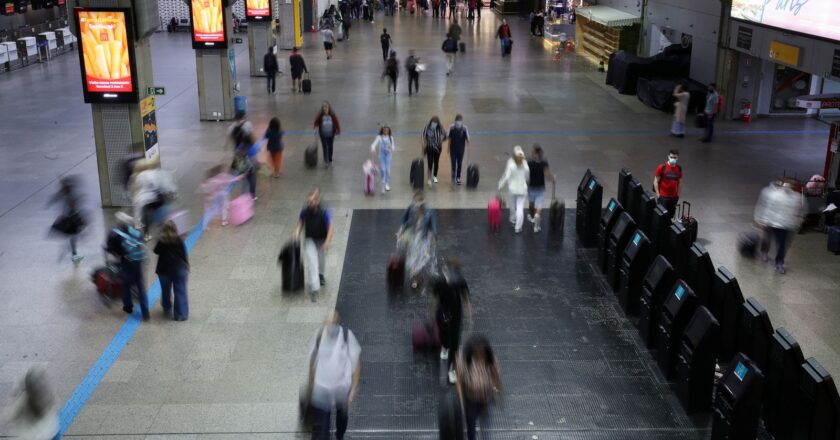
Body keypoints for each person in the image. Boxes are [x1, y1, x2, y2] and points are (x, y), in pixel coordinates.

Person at [307, 313, 361, 440]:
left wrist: (352, 391)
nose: (331, 326)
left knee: (342, 418)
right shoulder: (318, 336)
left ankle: (339, 434)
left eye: (334, 323)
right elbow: (312, 364)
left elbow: (357, 365)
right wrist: (310, 386)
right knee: (322, 428)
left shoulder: (347, 336)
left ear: (338, 323)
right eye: (328, 323)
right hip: (322, 389)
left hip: (341, 388)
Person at [753, 179, 804, 274]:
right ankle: (764, 252)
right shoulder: (773, 194)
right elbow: (766, 207)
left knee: (782, 244)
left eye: (790, 185)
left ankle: (779, 263)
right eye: (786, 185)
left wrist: (799, 219)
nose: (788, 187)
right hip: (771, 222)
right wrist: (761, 219)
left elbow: (801, 210)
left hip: (784, 225)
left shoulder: (797, 197)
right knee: (767, 238)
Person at [456, 335, 501, 440]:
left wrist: (496, 391)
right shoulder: (463, 359)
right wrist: (460, 397)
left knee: (485, 428)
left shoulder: (491, 360)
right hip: (470, 400)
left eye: (482, 351)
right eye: (476, 351)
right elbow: (459, 379)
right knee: (470, 426)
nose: (479, 354)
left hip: (486, 399)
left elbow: (496, 378)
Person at [434, 258, 472, 384]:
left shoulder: (461, 282)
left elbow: (466, 299)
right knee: (444, 335)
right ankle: (445, 346)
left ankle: (452, 370)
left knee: (455, 344)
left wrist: (470, 318)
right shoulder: (439, 282)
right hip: (442, 313)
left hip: (456, 315)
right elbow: (434, 299)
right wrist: (430, 314)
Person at [110, 212, 149, 321]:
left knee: (126, 284)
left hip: (126, 262)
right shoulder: (135, 231)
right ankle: (145, 312)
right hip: (138, 261)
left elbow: (112, 249)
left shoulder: (116, 234)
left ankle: (128, 307)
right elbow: (142, 239)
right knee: (140, 285)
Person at [296, 189, 334, 300]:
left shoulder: (324, 212)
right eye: (309, 201)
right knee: (312, 262)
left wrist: (327, 241)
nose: (310, 204)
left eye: (312, 201)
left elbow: (330, 228)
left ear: (317, 201)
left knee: (321, 260)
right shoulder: (304, 211)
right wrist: (297, 234)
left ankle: (321, 274)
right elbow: (300, 223)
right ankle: (315, 288)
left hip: (322, 239)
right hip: (310, 239)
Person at [0, 368, 58, 439]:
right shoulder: (46, 397)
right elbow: (54, 406)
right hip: (49, 430)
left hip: (30, 434)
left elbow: (10, 414)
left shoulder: (24, 398)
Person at [154, 221, 189, 321]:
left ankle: (166, 307)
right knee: (180, 291)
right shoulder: (178, 240)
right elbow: (183, 254)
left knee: (165, 290)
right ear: (175, 228)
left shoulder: (161, 241)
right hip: (178, 269)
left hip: (163, 270)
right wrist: (186, 265)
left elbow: (155, 251)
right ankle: (180, 315)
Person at [48, 176, 86, 262]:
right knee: (73, 237)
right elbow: (71, 206)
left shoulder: (66, 194)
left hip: (71, 218)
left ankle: (73, 253)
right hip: (71, 219)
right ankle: (73, 254)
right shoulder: (69, 196)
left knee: (73, 237)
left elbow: (57, 197)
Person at [498, 146, 530, 234]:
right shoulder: (525, 165)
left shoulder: (511, 164)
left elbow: (507, 176)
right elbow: (527, 177)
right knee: (520, 207)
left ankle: (513, 219)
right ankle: (518, 227)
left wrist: (501, 184)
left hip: (512, 188)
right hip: (522, 189)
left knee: (512, 205)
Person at [200, 165, 241, 229]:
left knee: (212, 210)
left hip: (215, 196)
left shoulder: (211, 180)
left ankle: (205, 224)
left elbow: (205, 187)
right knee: (224, 207)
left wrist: (208, 195)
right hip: (222, 194)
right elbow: (230, 180)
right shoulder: (221, 176)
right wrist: (238, 177)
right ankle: (223, 220)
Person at [527, 144, 553, 233]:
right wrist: (553, 178)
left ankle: (531, 216)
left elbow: (526, 175)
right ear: (541, 153)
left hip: (530, 187)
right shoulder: (544, 163)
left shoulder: (529, 163)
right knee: (539, 206)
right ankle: (536, 226)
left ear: (534, 153)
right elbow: (547, 176)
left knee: (531, 203)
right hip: (540, 188)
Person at [653, 149, 682, 219]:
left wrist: (678, 194)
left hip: (673, 197)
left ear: (677, 158)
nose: (673, 159)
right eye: (671, 157)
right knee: (661, 216)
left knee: (670, 216)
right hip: (663, 197)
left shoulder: (679, 168)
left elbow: (680, 182)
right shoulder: (662, 167)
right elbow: (655, 181)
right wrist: (658, 194)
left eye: (675, 158)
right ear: (668, 157)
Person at [313, 101, 341, 167]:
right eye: (324, 109)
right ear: (322, 109)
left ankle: (330, 159)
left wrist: (338, 131)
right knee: (325, 147)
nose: (325, 110)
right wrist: (315, 128)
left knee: (330, 147)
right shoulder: (320, 116)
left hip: (331, 134)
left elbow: (337, 123)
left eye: (326, 108)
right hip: (323, 134)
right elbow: (316, 122)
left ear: (329, 108)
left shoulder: (332, 115)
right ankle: (326, 160)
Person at [422, 116, 447, 186]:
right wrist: (423, 145)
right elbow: (423, 136)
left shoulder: (440, 128)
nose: (434, 124)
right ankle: (429, 178)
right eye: (433, 123)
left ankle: (435, 176)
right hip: (429, 147)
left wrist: (441, 140)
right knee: (430, 163)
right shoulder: (427, 127)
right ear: (431, 122)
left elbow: (445, 135)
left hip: (438, 148)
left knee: (436, 162)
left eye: (435, 123)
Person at [370, 126, 396, 192]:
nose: (386, 132)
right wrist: (373, 148)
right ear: (382, 131)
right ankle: (383, 182)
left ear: (389, 131)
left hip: (388, 156)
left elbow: (393, 147)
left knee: (388, 171)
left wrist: (391, 148)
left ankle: (387, 183)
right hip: (382, 156)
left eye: (387, 131)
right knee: (383, 170)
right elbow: (373, 144)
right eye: (384, 130)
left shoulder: (391, 138)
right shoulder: (379, 137)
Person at [447, 114, 470, 185]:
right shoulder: (451, 128)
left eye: (459, 121)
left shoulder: (464, 128)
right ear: (455, 121)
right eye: (457, 121)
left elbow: (468, 138)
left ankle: (458, 177)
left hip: (461, 149)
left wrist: (469, 144)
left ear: (461, 121)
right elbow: (449, 139)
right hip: (453, 149)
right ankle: (453, 176)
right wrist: (448, 147)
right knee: (453, 163)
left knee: (459, 163)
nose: (458, 122)